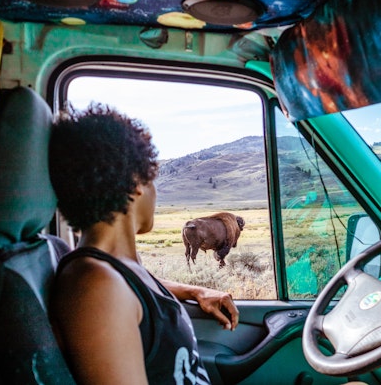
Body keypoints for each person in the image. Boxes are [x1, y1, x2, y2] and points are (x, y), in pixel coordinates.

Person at [48, 103, 239, 384]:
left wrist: (194, 291)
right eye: (153, 179)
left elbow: (132, 287)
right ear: (137, 182)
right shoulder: (96, 288)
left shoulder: (113, 270)